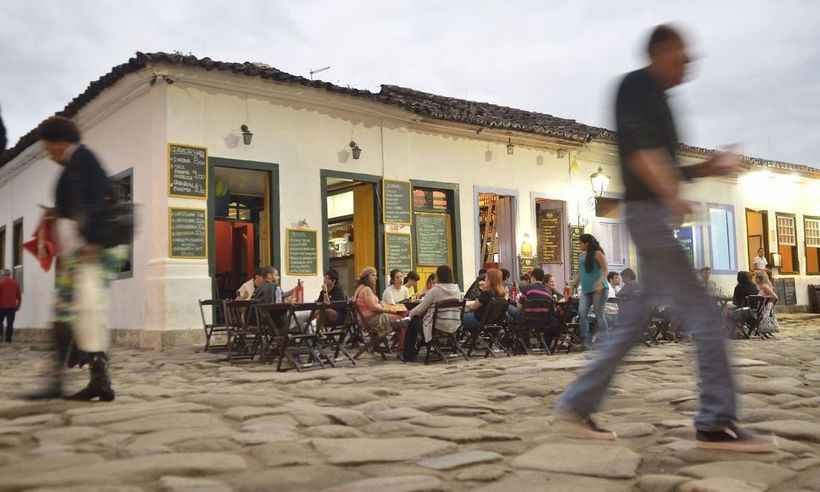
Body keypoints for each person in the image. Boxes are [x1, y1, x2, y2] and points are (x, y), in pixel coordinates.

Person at [554, 25, 771, 452]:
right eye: (682, 56)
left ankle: (577, 405)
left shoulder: (663, 104)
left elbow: (668, 166)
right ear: (661, 51)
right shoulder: (635, 88)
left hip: (652, 215)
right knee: (707, 317)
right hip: (649, 215)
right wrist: (671, 194)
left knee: (631, 323)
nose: (688, 64)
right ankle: (715, 421)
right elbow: (639, 154)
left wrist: (707, 168)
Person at [27, 116, 122, 401]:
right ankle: (93, 380)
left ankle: (74, 381)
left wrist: (92, 240)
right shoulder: (76, 164)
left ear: (57, 142)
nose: (47, 153)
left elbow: (96, 199)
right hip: (82, 251)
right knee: (78, 311)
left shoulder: (82, 159)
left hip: (91, 250)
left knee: (76, 311)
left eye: (47, 147)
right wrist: (56, 212)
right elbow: (81, 200)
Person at [403, 265, 462, 362]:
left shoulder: (435, 290)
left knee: (413, 320)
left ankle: (408, 355)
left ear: (439, 276)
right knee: (419, 319)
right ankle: (422, 347)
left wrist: (410, 314)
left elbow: (421, 308)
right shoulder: (457, 290)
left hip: (437, 326)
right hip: (454, 324)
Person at [576, 233, 609, 348]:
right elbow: (580, 273)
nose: (579, 245)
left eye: (580, 243)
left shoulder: (597, 253)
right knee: (582, 313)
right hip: (585, 290)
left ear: (587, 243)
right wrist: (573, 284)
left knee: (599, 314)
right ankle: (586, 341)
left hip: (599, 289)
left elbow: (605, 270)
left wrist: (600, 282)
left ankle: (605, 341)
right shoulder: (581, 256)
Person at [352, 267, 405, 339]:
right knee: (402, 319)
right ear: (366, 277)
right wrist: (388, 310)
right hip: (371, 320)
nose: (376, 278)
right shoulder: (366, 289)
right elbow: (374, 307)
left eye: (376, 275)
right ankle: (402, 345)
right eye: (373, 275)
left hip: (365, 320)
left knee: (400, 318)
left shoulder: (360, 288)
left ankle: (399, 344)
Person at [462, 268, 506, 334]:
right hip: (493, 320)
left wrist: (464, 309)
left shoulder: (486, 293)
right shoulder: (501, 293)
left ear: (489, 279)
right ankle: (472, 338)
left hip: (479, 319)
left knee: (457, 318)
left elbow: (473, 307)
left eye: (486, 277)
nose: (485, 279)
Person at [0, 270, 22, 343]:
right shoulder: (15, 283)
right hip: (12, 307)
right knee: (10, 323)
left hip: (1, 306)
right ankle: (8, 339)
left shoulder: (1, 283)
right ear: (10, 275)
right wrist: (18, 305)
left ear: (3, 275)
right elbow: (19, 296)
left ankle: (0, 336)